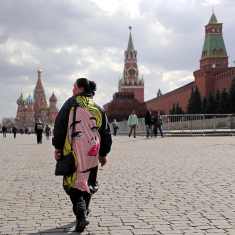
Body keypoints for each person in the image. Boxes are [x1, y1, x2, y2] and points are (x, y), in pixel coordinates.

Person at [52, 78, 112, 233]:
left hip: (73, 148)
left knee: (73, 183)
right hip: (93, 149)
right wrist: (103, 153)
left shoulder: (70, 104)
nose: (72, 90)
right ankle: (84, 210)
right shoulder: (97, 107)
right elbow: (105, 132)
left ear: (80, 88)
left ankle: (81, 215)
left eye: (74, 87)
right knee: (88, 180)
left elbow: (59, 126)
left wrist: (58, 147)